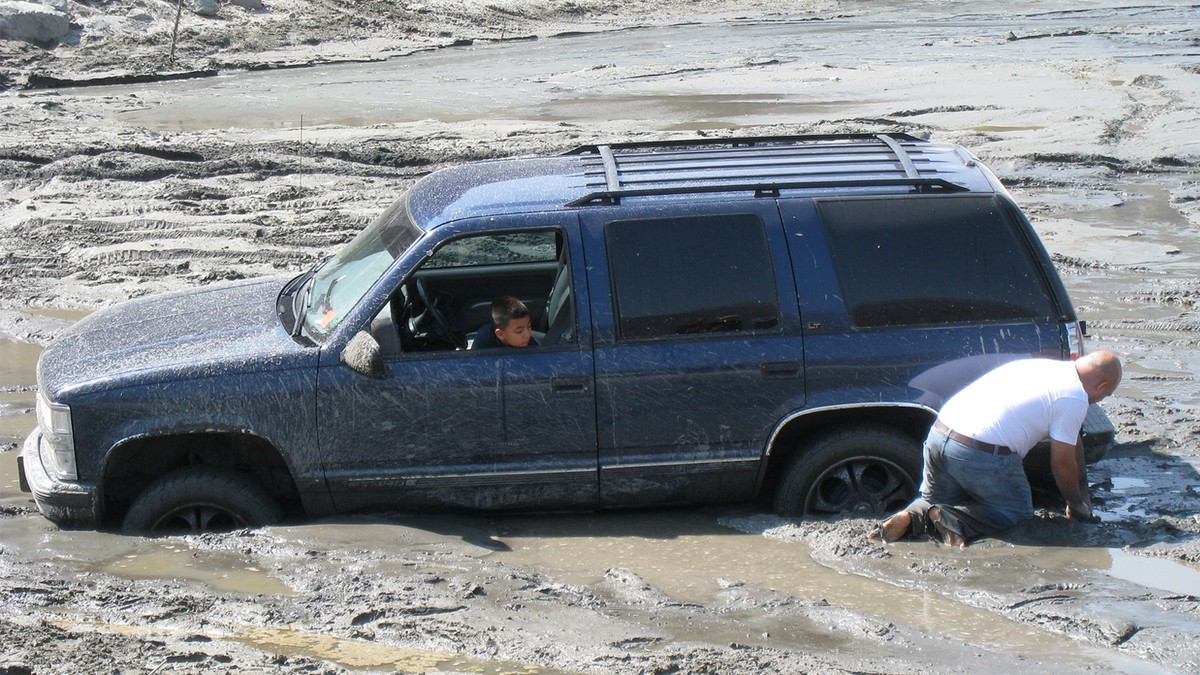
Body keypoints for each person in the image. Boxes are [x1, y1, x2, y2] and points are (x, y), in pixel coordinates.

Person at [872, 350, 1122, 549]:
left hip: (939, 434)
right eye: (1104, 395)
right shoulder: (1074, 398)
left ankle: (910, 516)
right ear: (1101, 387)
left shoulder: (1042, 367)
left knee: (934, 500)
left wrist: (1082, 494)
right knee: (1015, 513)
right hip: (977, 452)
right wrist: (1076, 506)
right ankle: (954, 521)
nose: (1098, 401)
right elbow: (1062, 464)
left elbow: (1073, 440)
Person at [471, 296, 539, 349]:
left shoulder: (529, 343)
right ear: (500, 334)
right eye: (519, 331)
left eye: (529, 327)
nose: (527, 335)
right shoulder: (485, 338)